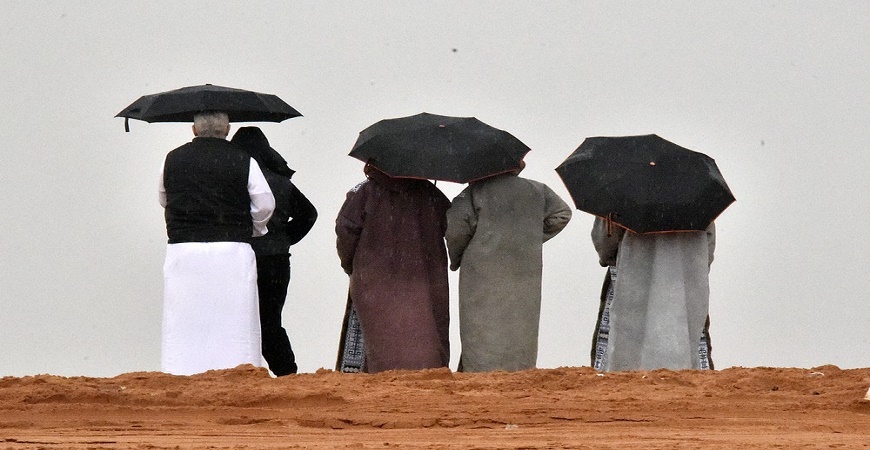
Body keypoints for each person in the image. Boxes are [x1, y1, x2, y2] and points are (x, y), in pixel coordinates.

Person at [158, 111, 275, 376]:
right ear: (228, 129)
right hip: (232, 248)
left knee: (185, 316)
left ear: (194, 130)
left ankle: (182, 371)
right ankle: (238, 372)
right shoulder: (243, 159)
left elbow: (164, 197)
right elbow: (265, 204)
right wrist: (254, 228)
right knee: (234, 319)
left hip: (184, 249)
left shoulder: (172, 159)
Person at [445, 163, 572, 372]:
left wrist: (456, 258)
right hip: (525, 270)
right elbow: (562, 214)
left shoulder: (474, 192)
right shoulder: (538, 190)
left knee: (481, 324)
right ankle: (520, 371)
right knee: (520, 324)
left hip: (481, 271)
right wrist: (529, 237)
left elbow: (456, 230)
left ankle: (479, 371)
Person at [335, 164, 451, 373]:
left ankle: (376, 378)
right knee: (424, 330)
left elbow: (346, 231)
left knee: (375, 335)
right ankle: (428, 374)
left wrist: (351, 265)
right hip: (424, 278)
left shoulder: (364, 193)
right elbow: (452, 227)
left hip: (373, 279)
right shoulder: (431, 194)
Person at [230, 127, 318, 376]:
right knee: (270, 320)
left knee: (238, 319)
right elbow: (309, 214)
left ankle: (241, 371)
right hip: (276, 261)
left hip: (239, 258)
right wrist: (285, 238)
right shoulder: (280, 181)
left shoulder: (233, 181)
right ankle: (287, 372)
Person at [590, 217, 716, 372]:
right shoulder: (699, 205)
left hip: (633, 280)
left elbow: (605, 243)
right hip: (684, 285)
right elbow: (708, 249)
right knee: (685, 342)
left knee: (626, 350)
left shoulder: (623, 202)